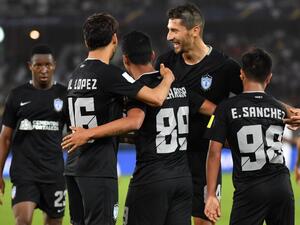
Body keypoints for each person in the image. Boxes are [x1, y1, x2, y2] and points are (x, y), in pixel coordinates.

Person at [62, 30, 215, 225]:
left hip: (151, 179)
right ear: (152, 55)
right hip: (183, 180)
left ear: (125, 60)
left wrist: (92, 133)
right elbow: (213, 111)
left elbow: (136, 121)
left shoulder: (138, 90)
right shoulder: (180, 87)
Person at [63, 13, 175, 225]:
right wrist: (168, 78)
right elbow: (156, 98)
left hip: (73, 168)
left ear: (86, 41)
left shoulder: (75, 75)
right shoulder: (111, 74)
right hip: (98, 170)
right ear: (114, 39)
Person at [155, 3, 243, 225]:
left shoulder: (224, 66)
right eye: (168, 29)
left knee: (204, 222)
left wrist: (284, 109)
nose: (168, 36)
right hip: (170, 158)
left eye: (174, 30)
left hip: (204, 159)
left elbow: (253, 94)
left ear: (195, 30)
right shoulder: (165, 63)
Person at [204, 48, 294, 225]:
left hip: (250, 189)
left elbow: (214, 153)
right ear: (269, 78)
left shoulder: (226, 108)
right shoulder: (280, 108)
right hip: (282, 186)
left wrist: (212, 195)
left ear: (241, 74)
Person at [0, 45, 67, 225]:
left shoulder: (65, 95)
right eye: (38, 65)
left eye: (48, 65)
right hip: (25, 172)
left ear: (55, 65)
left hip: (54, 173)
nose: (43, 70)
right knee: (23, 220)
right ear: (30, 66)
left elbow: (75, 132)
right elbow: (5, 137)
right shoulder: (17, 95)